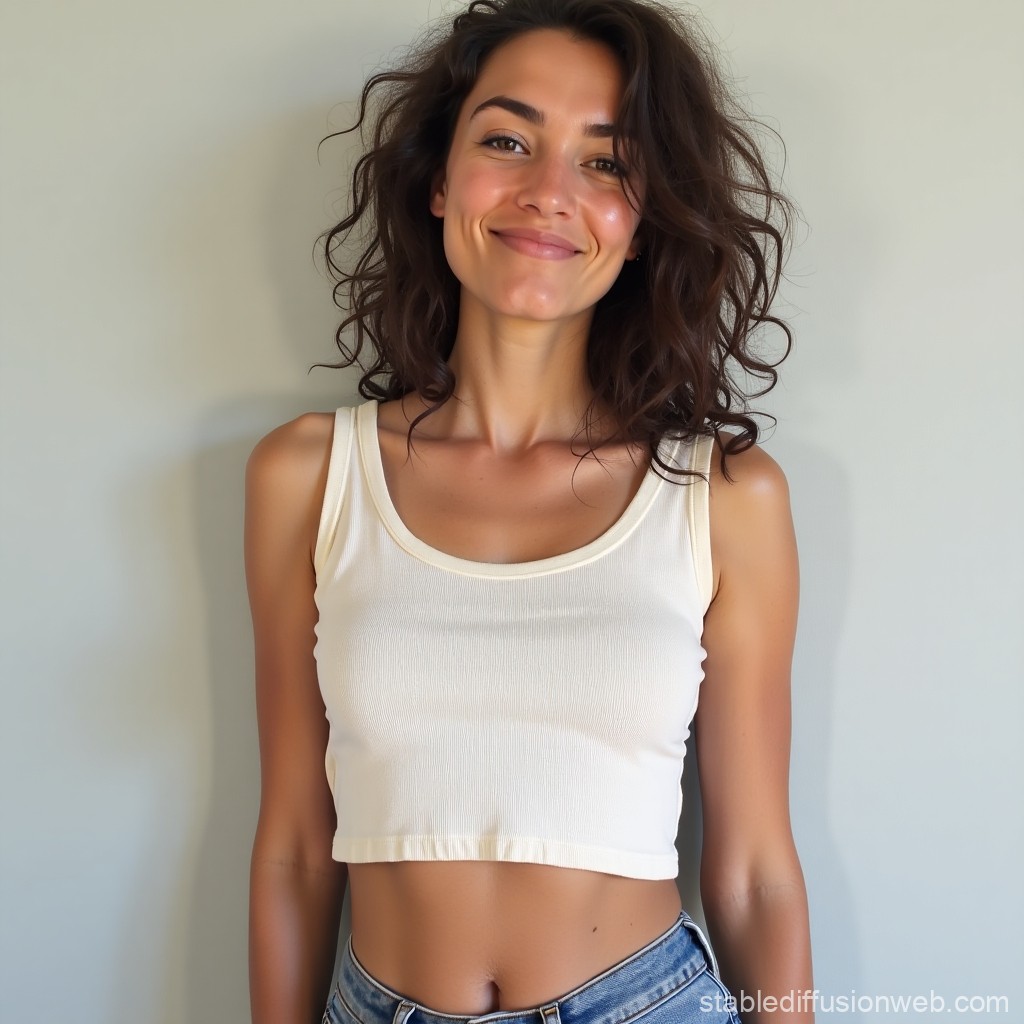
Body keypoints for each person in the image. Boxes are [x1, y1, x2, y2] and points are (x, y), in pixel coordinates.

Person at [244, 0, 814, 1021]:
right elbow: (293, 842)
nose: (549, 193)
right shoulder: (308, 474)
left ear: (644, 223)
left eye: (605, 162)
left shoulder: (725, 498)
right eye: (507, 140)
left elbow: (755, 871)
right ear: (436, 181)